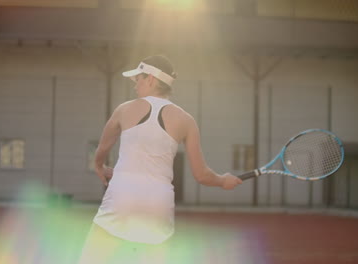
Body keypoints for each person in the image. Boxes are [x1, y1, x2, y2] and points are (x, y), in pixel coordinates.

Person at [78, 55, 242, 264]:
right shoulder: (186, 120)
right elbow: (201, 175)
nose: (135, 84)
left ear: (151, 80)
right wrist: (223, 180)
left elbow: (101, 150)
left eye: (138, 78)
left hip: (122, 196)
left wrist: (100, 166)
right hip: (159, 203)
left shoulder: (124, 109)